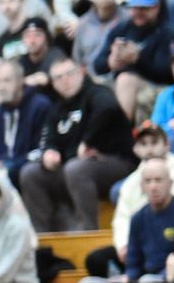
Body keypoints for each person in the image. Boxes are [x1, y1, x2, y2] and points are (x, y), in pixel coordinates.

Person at [19, 58, 137, 232]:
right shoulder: (56, 109)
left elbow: (108, 108)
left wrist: (87, 141)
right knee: (31, 173)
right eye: (58, 77)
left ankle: (87, 232)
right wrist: (49, 152)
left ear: (81, 72)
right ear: (53, 83)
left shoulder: (97, 93)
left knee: (76, 169)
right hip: (73, 167)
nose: (65, 80)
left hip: (115, 162)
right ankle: (42, 236)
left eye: (69, 74)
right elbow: (49, 138)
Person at [79, 158, 174, 283]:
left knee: (148, 282)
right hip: (143, 281)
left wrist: (169, 274)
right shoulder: (137, 218)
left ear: (170, 183)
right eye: (148, 181)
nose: (153, 186)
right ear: (142, 186)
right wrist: (128, 278)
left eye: (158, 180)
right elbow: (133, 264)